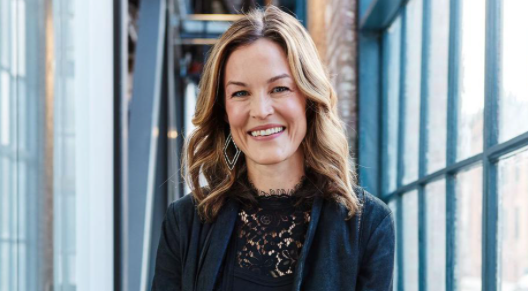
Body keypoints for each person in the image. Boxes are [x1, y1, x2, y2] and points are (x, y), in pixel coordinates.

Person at [151, 5, 394, 291]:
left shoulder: (368, 225)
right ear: (223, 111)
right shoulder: (185, 223)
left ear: (308, 97)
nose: (261, 110)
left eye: (279, 88)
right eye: (240, 93)